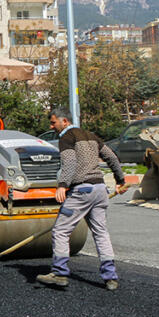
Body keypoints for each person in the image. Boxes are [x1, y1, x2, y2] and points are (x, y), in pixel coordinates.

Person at [36, 108, 128, 291]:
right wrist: (120, 180)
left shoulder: (67, 137)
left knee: (61, 230)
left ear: (65, 121)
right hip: (100, 190)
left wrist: (62, 185)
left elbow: (69, 163)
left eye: (53, 122)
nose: (51, 126)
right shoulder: (91, 136)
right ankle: (110, 277)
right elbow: (111, 157)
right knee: (101, 233)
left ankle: (59, 272)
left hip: (82, 191)